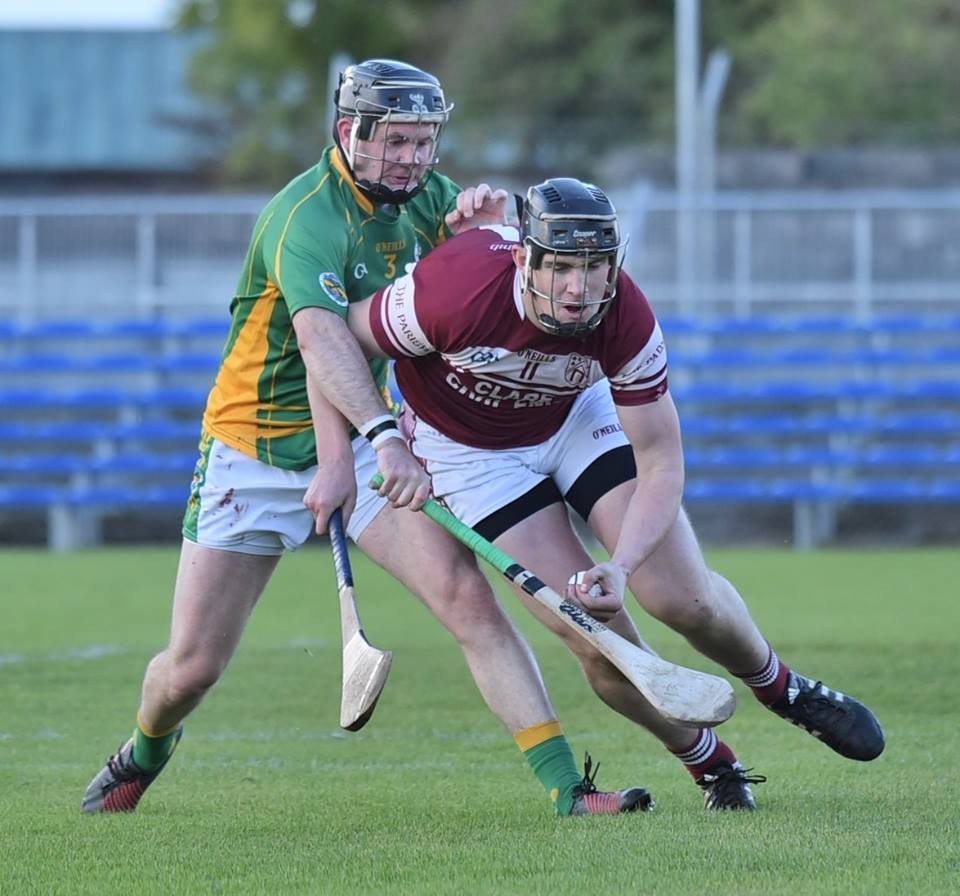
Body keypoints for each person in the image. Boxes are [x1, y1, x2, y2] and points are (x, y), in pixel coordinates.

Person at [81, 65, 651, 818]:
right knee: (190, 669)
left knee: (466, 599)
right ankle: (145, 748)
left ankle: (566, 791)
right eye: (398, 143)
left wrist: (479, 215)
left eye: (425, 142)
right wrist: (380, 439)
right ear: (349, 133)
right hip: (252, 451)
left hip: (359, 436)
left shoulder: (429, 200)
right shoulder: (304, 216)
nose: (414, 160)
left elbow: (495, 254)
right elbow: (321, 340)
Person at [340, 177, 886, 811]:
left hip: (575, 419)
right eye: (563, 267)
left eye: (595, 268)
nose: (579, 289)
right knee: (601, 643)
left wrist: (621, 565)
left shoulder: (626, 315)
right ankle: (711, 764)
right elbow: (340, 341)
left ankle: (782, 688)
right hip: (473, 457)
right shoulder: (455, 289)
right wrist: (375, 441)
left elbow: (661, 464)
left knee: (681, 597)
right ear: (525, 257)